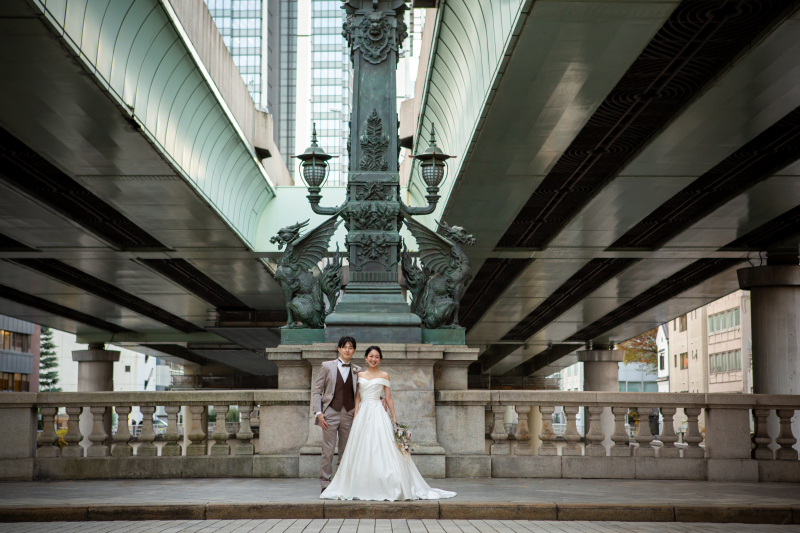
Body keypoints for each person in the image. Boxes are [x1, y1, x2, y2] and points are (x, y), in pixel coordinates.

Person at [320, 345, 456, 501]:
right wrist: (356, 416)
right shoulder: (360, 374)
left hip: (378, 412)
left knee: (382, 446)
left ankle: (388, 482)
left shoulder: (384, 375)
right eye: (371, 356)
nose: (373, 359)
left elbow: (388, 397)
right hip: (363, 413)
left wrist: (394, 418)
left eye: (377, 357)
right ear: (366, 358)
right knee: (361, 448)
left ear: (380, 359)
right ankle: (361, 484)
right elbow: (357, 397)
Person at [313, 336, 360, 492]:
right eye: (344, 347)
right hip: (330, 413)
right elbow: (317, 391)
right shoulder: (327, 366)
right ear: (339, 348)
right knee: (327, 450)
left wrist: (381, 398)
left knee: (345, 450)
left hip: (349, 413)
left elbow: (363, 391)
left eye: (351, 347)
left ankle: (341, 482)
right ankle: (325, 482)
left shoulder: (358, 370)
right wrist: (319, 413)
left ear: (354, 351)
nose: (347, 350)